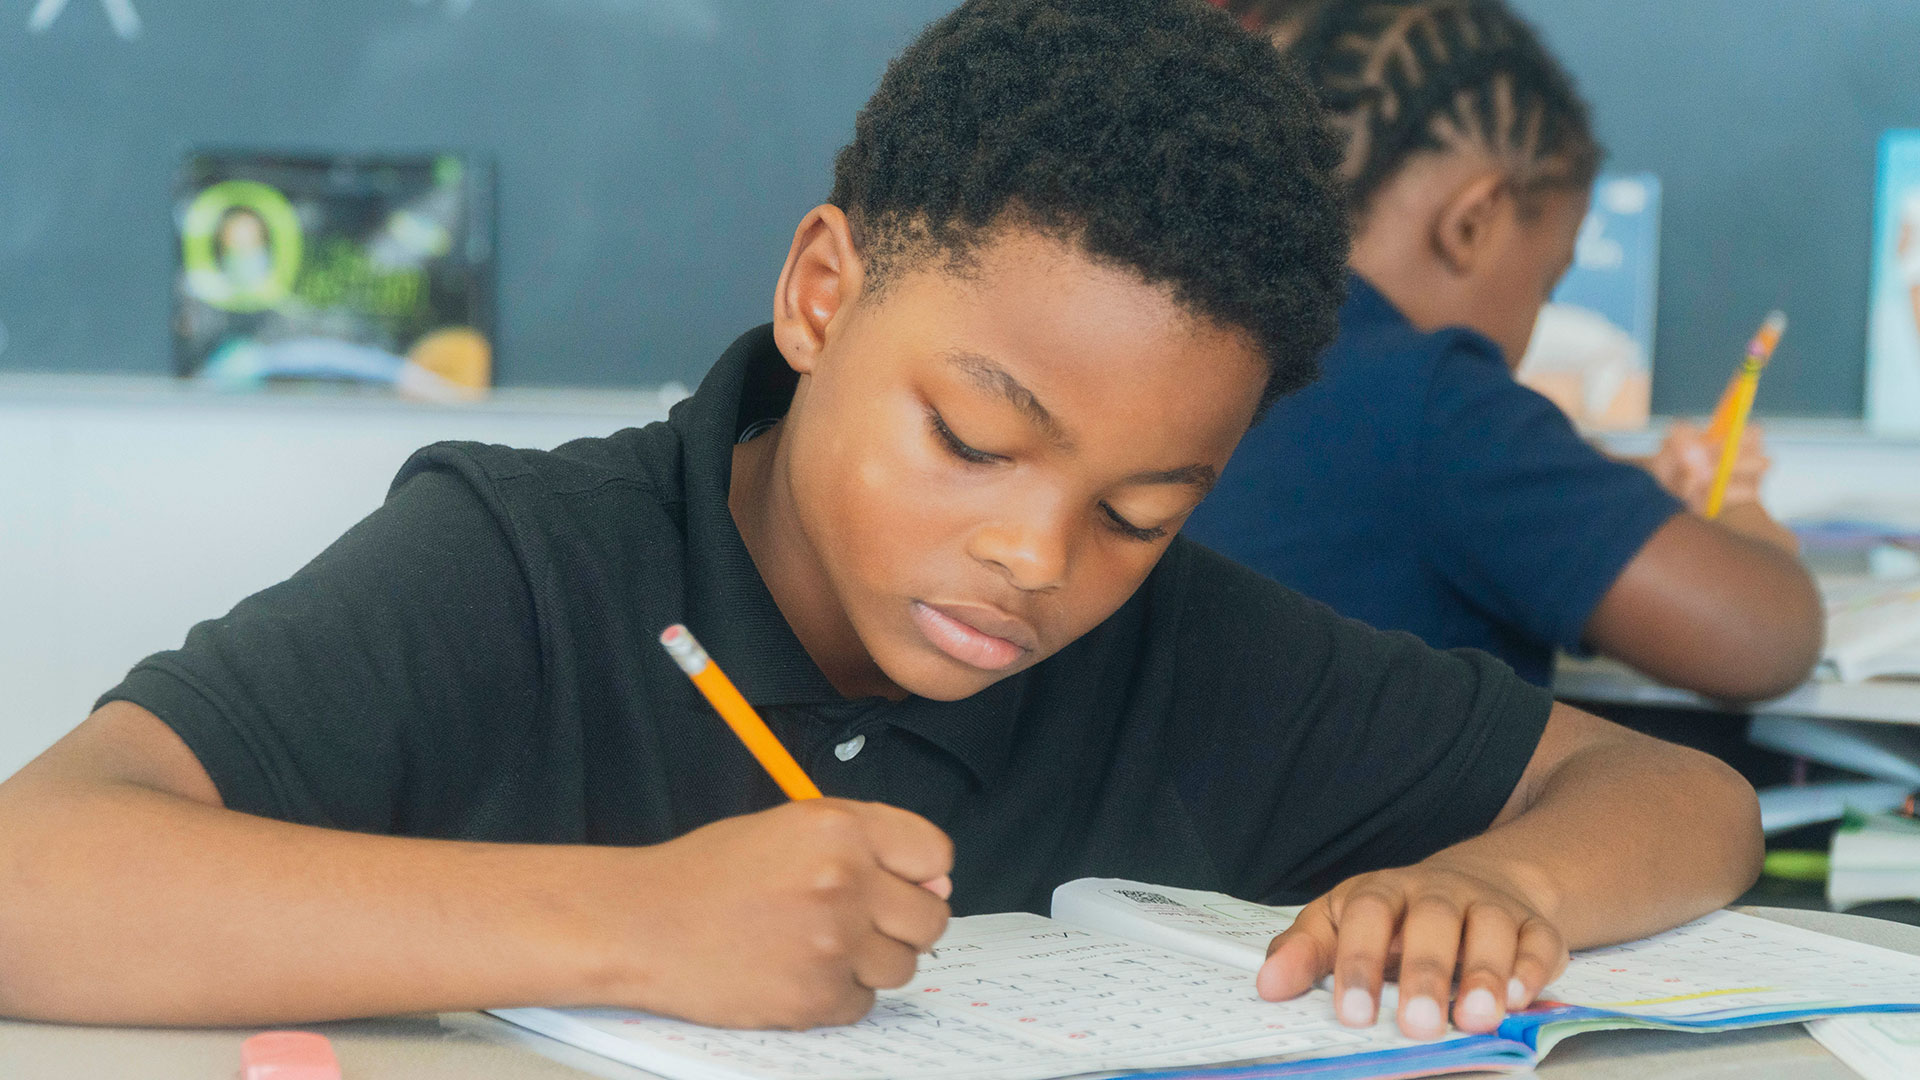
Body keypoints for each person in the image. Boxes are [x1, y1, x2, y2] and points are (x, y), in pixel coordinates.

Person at [0, 0, 1759, 1045]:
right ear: (825, 296)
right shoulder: (531, 563)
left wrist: (1504, 883)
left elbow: (1684, 797)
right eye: (974, 438)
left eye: (1142, 509)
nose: (1038, 559)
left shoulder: (1176, 648)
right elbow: (36, 876)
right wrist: (630, 924)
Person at [1187, 0, 1821, 700]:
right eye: (1548, 282)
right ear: (1474, 222)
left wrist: (1623, 481)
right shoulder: (1434, 398)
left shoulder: (1217, 342)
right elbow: (1763, 639)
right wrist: (1735, 510)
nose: (1538, 316)